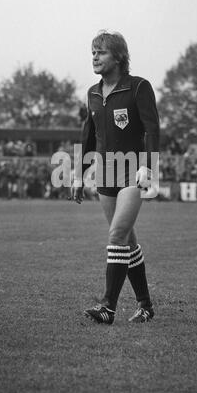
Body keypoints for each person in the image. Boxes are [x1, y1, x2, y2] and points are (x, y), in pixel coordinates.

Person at [70, 30, 160, 324]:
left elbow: (152, 129)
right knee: (127, 242)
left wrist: (150, 166)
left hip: (134, 172)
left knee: (116, 236)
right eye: (93, 52)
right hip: (104, 174)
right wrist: (79, 174)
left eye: (101, 52)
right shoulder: (93, 93)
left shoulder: (138, 87)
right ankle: (145, 305)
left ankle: (108, 307)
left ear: (119, 57)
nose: (94, 57)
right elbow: (88, 136)